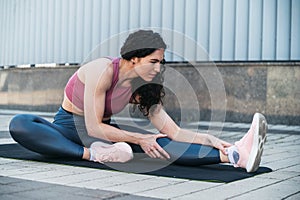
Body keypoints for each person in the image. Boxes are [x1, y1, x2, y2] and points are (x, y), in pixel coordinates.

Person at [9, 30, 267, 173]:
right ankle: (92, 155)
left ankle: (235, 156)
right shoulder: (102, 70)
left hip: (106, 134)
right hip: (68, 129)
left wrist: (209, 139)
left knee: (158, 143)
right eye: (153, 61)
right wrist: (137, 138)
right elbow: (92, 126)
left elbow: (173, 131)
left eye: (160, 62)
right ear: (134, 58)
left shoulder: (142, 87)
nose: (158, 68)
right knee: (21, 123)